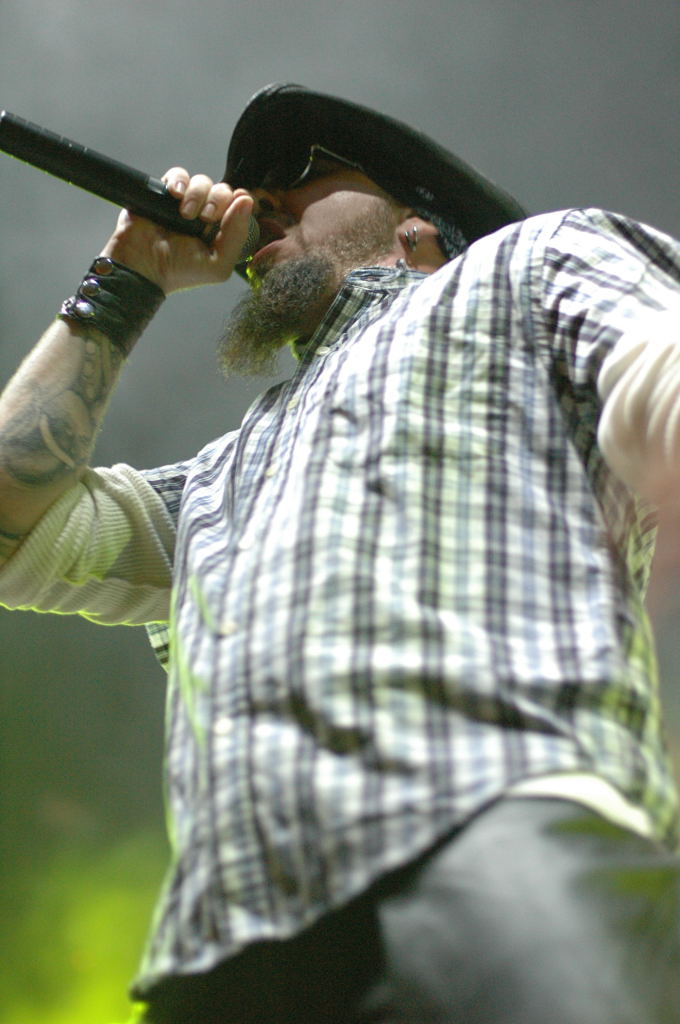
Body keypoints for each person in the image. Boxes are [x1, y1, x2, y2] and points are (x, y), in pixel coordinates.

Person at [0, 83, 679, 1024]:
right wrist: (131, 275)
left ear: (419, 224)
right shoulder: (218, 477)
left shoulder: (523, 265)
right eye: (253, 188)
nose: (260, 200)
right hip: (230, 941)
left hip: (504, 840)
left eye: (302, 171)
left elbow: (662, 369)